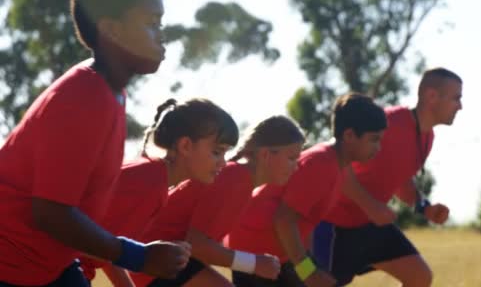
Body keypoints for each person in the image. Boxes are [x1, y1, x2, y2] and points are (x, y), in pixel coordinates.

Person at [0, 0, 190, 285]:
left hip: (48, 266)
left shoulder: (111, 93)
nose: (161, 34)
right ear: (112, 30)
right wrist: (139, 256)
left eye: (161, 23)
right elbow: (50, 212)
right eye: (151, 23)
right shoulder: (85, 97)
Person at [312, 68, 463, 287]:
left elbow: (400, 180)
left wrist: (424, 207)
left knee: (419, 277)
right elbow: (339, 161)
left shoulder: (427, 137)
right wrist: (371, 206)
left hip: (369, 224)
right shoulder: (388, 122)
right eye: (456, 98)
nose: (460, 106)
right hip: (335, 225)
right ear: (432, 96)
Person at [225, 93, 387, 287]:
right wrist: (308, 272)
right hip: (258, 253)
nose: (379, 148)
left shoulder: (338, 167)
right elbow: (284, 219)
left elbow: (304, 222)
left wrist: (311, 265)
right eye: (374, 139)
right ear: (349, 136)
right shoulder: (320, 163)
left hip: (280, 256)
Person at [130, 115, 306, 287]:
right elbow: (196, 243)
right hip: (156, 263)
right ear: (265, 154)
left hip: (165, 261)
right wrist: (253, 264)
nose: (297, 167)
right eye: (292, 158)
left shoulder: (240, 180)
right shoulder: (236, 179)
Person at [80, 97, 239, 286]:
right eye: (217, 152)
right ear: (185, 146)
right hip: (54, 271)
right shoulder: (149, 182)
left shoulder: (157, 181)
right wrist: (144, 255)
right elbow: (78, 236)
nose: (223, 162)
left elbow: (108, 243)